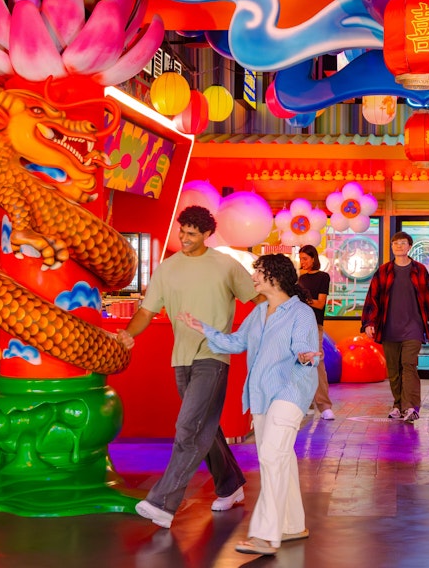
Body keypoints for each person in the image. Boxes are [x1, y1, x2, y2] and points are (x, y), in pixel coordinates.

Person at [116, 206, 259, 529]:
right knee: (203, 426)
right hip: (181, 358)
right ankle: (231, 484)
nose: (184, 238)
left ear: (207, 235)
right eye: (182, 232)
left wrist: (252, 336)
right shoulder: (167, 268)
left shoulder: (226, 265)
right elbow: (147, 311)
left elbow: (259, 301)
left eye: (192, 234)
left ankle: (163, 504)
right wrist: (127, 332)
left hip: (214, 355)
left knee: (188, 428)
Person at [182, 254, 321, 556]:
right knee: (280, 458)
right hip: (260, 394)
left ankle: (264, 535)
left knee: (272, 456)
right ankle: (293, 525)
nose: (253, 278)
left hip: (291, 390)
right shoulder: (259, 312)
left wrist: (307, 356)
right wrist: (203, 328)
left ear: (275, 276)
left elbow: (306, 348)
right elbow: (235, 343)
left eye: (258, 272)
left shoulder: (301, 314)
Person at [360, 231, 429, 422]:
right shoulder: (383, 271)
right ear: (392, 246)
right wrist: (369, 323)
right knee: (394, 370)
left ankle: (410, 407)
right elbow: (372, 298)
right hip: (388, 327)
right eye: (395, 243)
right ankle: (397, 405)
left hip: (413, 327)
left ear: (409, 246)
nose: (398, 246)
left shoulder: (419, 270)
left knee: (409, 365)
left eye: (402, 243)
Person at [296, 244, 336, 420]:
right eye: (301, 258)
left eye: (305, 258)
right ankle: (304, 402)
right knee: (298, 362)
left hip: (315, 325)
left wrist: (303, 299)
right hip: (299, 325)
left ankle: (324, 405)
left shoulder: (323, 277)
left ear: (313, 258)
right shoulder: (299, 279)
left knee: (317, 363)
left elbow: (320, 304)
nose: (302, 262)